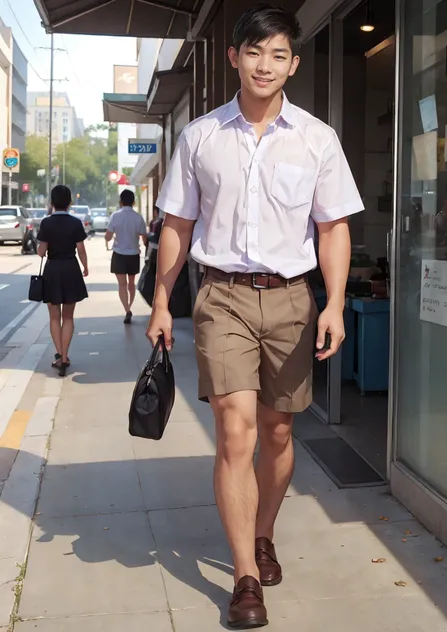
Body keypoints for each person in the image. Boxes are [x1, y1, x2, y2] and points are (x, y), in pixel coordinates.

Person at [146, 4, 364, 628]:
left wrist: (336, 303)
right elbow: (177, 226)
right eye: (253, 52)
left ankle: (263, 530)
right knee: (236, 430)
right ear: (234, 58)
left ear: (293, 64)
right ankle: (245, 575)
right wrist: (161, 302)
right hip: (223, 298)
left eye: (278, 55)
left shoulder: (317, 138)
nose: (264, 65)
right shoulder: (201, 137)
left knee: (277, 433)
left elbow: (333, 228)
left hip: (294, 298)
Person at [37, 185, 89, 378]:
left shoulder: (46, 223)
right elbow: (81, 249)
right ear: (69, 202)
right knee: (68, 317)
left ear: (52, 202)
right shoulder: (75, 223)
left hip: (52, 270)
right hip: (70, 269)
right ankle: (65, 356)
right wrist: (85, 267)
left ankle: (59, 356)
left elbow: (41, 252)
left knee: (53, 317)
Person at [105, 189, 148, 324]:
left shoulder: (115, 216)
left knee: (122, 284)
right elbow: (145, 238)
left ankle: (127, 310)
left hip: (119, 254)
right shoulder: (138, 217)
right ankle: (130, 305)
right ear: (134, 202)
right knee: (131, 283)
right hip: (134, 254)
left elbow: (108, 236)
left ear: (120, 202)